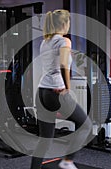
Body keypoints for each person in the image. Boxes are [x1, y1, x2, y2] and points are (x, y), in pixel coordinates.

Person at [30, 9, 92, 169]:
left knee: (45, 139)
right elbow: (64, 64)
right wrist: (67, 88)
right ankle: (67, 161)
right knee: (85, 125)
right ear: (64, 24)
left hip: (42, 91)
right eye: (69, 22)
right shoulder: (64, 41)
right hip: (56, 91)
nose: (69, 25)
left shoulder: (46, 41)